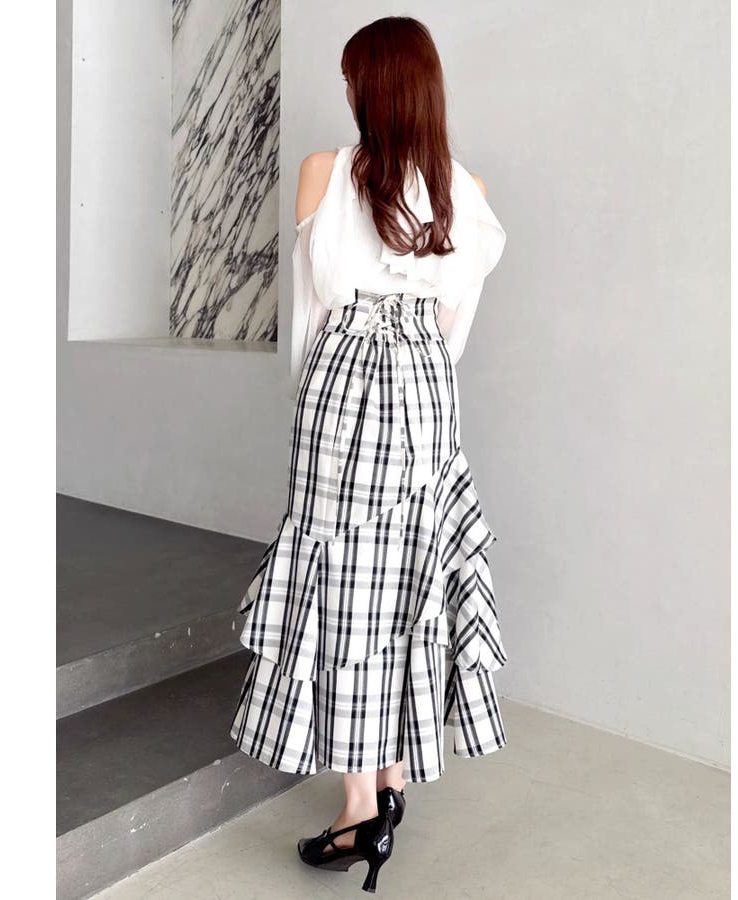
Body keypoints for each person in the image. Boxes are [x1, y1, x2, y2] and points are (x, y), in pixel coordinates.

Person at [229, 15, 509, 893]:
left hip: (343, 383)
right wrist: (419, 395)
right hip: (424, 388)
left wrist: (319, 400)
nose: (347, 90)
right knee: (411, 574)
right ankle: (392, 781)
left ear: (371, 87)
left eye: (353, 77)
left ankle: (360, 809)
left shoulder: (324, 171)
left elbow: (310, 312)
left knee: (341, 583)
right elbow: (453, 326)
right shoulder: (465, 188)